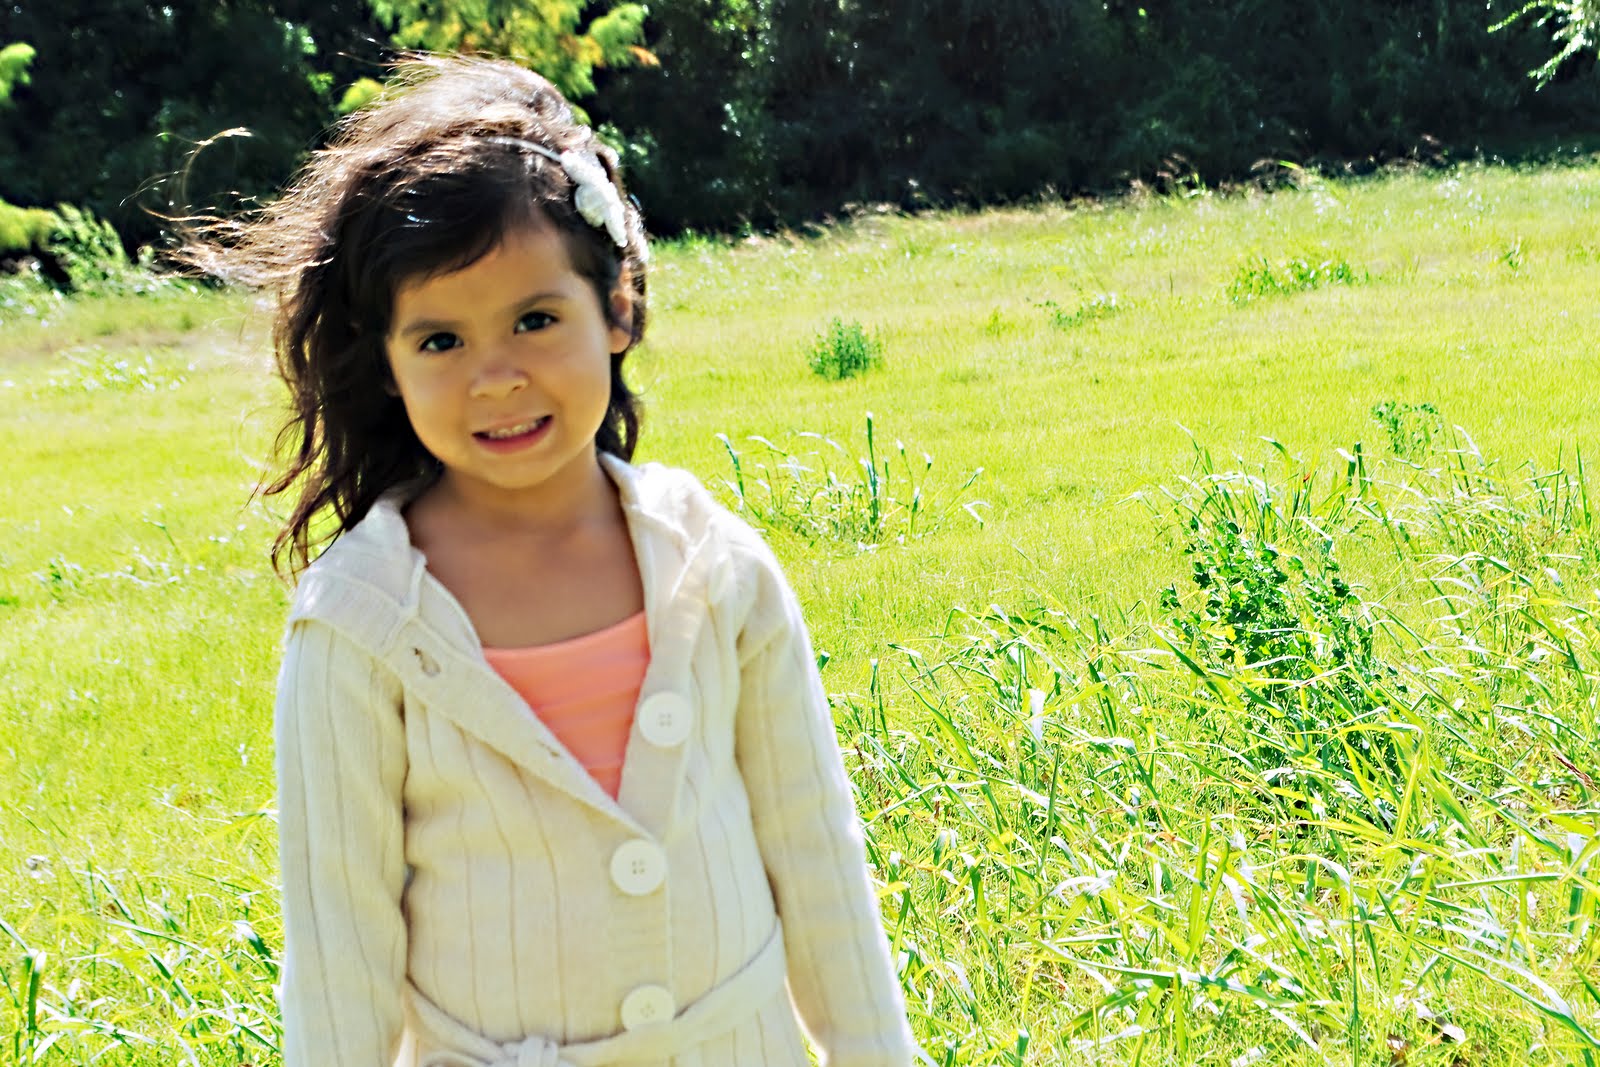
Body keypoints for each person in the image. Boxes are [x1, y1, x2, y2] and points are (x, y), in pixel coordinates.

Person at [188, 53, 918, 1067]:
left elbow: (814, 847)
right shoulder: (361, 618)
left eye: (535, 320)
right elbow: (339, 944)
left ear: (617, 308)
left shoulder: (716, 565)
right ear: (386, 363)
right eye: (440, 340)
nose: (495, 377)